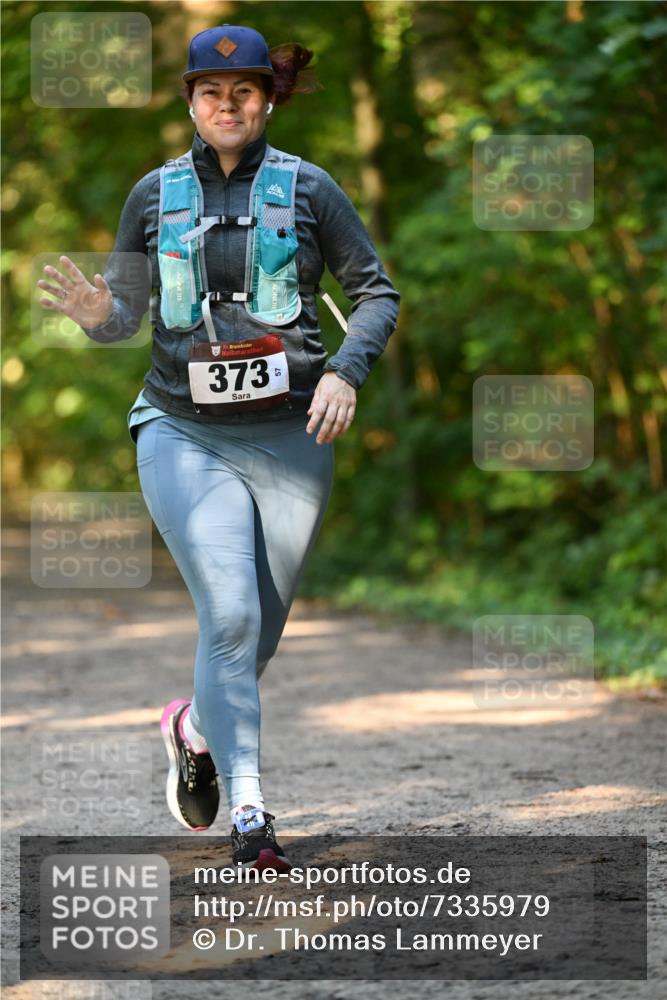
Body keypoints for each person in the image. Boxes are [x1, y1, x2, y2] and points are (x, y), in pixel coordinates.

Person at [36, 24, 400, 870]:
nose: (226, 105)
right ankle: (251, 815)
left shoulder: (310, 190)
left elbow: (376, 294)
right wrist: (98, 318)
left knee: (259, 631)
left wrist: (346, 371)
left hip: (293, 436)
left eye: (242, 92)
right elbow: (125, 318)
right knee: (228, 613)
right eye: (209, 91)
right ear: (192, 104)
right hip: (181, 430)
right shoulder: (151, 196)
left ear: (265, 100)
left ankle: (193, 727)